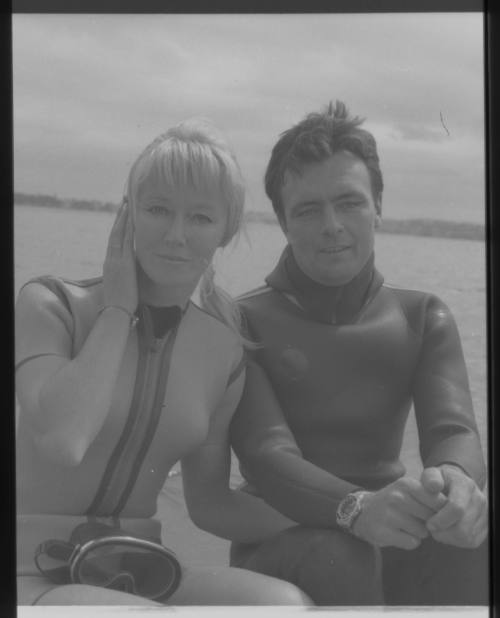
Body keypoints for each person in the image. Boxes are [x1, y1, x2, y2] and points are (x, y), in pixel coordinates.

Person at [15, 121, 311, 606]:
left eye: (199, 218)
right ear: (126, 215)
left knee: (285, 606)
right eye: (157, 210)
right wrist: (116, 311)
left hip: (142, 570)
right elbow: (63, 439)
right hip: (28, 571)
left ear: (226, 229)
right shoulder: (51, 305)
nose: (176, 236)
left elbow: (211, 506)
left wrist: (346, 513)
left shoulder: (224, 349)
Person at [229, 101, 489, 606]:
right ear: (283, 222)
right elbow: (266, 454)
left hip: (391, 525)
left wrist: (455, 484)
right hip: (284, 540)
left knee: (472, 534)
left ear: (378, 208)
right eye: (307, 209)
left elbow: (453, 431)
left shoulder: (422, 316)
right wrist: (354, 508)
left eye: (349, 202)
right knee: (340, 554)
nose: (332, 225)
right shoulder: (245, 321)